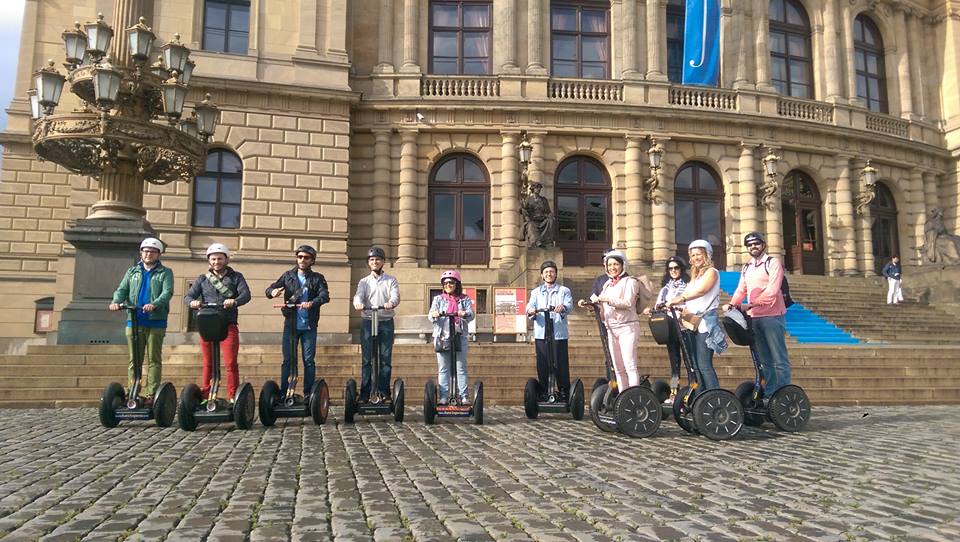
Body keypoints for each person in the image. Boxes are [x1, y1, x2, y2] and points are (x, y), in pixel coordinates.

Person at [722, 232, 790, 400]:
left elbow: (773, 291)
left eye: (756, 243)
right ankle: (770, 394)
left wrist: (751, 304)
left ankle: (784, 395)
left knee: (779, 359)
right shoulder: (747, 267)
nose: (753, 247)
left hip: (772, 316)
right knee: (764, 360)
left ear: (763, 245)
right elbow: (741, 289)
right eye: (750, 244)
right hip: (754, 318)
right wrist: (733, 304)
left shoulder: (773, 263)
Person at [109, 237, 174, 403]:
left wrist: (155, 304)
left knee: (153, 359)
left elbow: (167, 293)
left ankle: (152, 394)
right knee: (134, 359)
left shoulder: (165, 272)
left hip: (155, 321)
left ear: (158, 254)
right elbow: (122, 289)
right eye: (146, 251)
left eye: (153, 252)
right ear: (141, 253)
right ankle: (133, 392)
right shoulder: (132, 272)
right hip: (134, 319)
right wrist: (116, 301)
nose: (149, 254)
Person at [184, 243, 251, 402]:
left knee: (230, 363)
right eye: (213, 259)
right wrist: (193, 303)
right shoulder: (202, 279)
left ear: (226, 259)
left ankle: (232, 396)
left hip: (228, 324)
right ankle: (207, 396)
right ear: (209, 260)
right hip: (207, 325)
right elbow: (188, 297)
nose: (216, 262)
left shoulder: (236, 277)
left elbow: (246, 295)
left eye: (220, 258)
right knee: (208, 363)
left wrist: (234, 301)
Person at [265, 244, 330, 398]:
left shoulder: (317, 278)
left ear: (312, 260)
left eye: (306, 257)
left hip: (309, 326)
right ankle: (284, 393)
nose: (302, 260)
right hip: (291, 324)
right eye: (300, 257)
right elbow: (270, 289)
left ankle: (308, 394)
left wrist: (312, 303)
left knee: (308, 360)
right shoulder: (288, 276)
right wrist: (272, 292)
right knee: (287, 360)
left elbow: (325, 296)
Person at [578, 250, 645, 391]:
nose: (612, 268)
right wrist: (589, 305)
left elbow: (627, 303)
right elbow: (600, 305)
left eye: (615, 264)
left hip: (627, 328)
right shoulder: (607, 284)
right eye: (609, 265)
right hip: (611, 329)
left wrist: (606, 299)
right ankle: (623, 397)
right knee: (618, 368)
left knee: (630, 366)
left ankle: (634, 395)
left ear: (622, 265)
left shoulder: (630, 281)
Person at [667, 240, 725, 392]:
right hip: (691, 321)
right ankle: (700, 398)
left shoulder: (712, 272)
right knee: (694, 365)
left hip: (705, 323)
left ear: (707, 255)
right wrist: (674, 304)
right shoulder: (695, 275)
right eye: (692, 255)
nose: (695, 257)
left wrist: (680, 299)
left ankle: (714, 397)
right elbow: (687, 294)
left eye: (699, 254)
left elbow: (702, 291)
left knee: (704, 364)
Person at [352, 247, 400, 403]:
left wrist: (391, 303)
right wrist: (358, 303)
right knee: (367, 359)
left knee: (385, 358)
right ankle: (365, 392)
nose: (375, 262)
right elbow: (358, 296)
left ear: (383, 262)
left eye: (378, 259)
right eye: (372, 260)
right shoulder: (364, 282)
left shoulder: (391, 280)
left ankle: (384, 391)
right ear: (368, 263)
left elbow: (395, 296)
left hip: (385, 322)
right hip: (368, 321)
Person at [643, 255, 690, 402]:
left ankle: (693, 389)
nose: (673, 271)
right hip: (669, 327)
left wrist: (678, 306)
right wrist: (651, 310)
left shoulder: (688, 285)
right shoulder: (665, 288)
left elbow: (691, 303)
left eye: (676, 268)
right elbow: (659, 305)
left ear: (681, 269)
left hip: (685, 326)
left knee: (690, 361)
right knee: (674, 361)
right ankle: (674, 392)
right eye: (670, 269)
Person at [525, 260, 574, 400]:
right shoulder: (535, 292)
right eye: (546, 272)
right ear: (542, 275)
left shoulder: (564, 291)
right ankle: (544, 391)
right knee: (543, 363)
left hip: (559, 333)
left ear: (556, 274)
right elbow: (529, 307)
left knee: (561, 363)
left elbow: (569, 305)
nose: (549, 274)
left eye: (552, 271)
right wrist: (531, 310)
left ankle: (564, 390)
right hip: (542, 333)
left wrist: (562, 307)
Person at [428, 269, 475, 405]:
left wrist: (464, 313)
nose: (448, 285)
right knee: (443, 368)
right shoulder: (438, 299)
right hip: (442, 337)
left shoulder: (464, 299)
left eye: (451, 283)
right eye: (446, 283)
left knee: (461, 367)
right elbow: (430, 315)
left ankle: (463, 396)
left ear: (457, 284)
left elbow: (471, 315)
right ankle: (443, 397)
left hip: (459, 336)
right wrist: (435, 314)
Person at [521, 182, 557, 248]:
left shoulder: (543, 200)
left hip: (542, 219)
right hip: (533, 220)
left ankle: (548, 241)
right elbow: (523, 209)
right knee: (531, 225)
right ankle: (536, 242)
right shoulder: (528, 199)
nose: (538, 189)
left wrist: (550, 215)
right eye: (537, 188)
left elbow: (548, 211)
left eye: (539, 188)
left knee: (550, 221)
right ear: (533, 189)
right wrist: (526, 216)